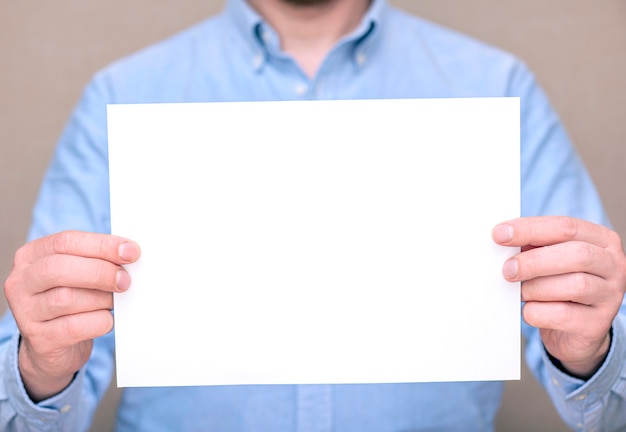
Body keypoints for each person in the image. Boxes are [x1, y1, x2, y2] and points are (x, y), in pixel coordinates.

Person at [1, 0, 626, 430]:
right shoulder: (121, 94)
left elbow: (607, 409)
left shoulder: (498, 85)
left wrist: (590, 352)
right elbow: (44, 407)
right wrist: (41, 366)